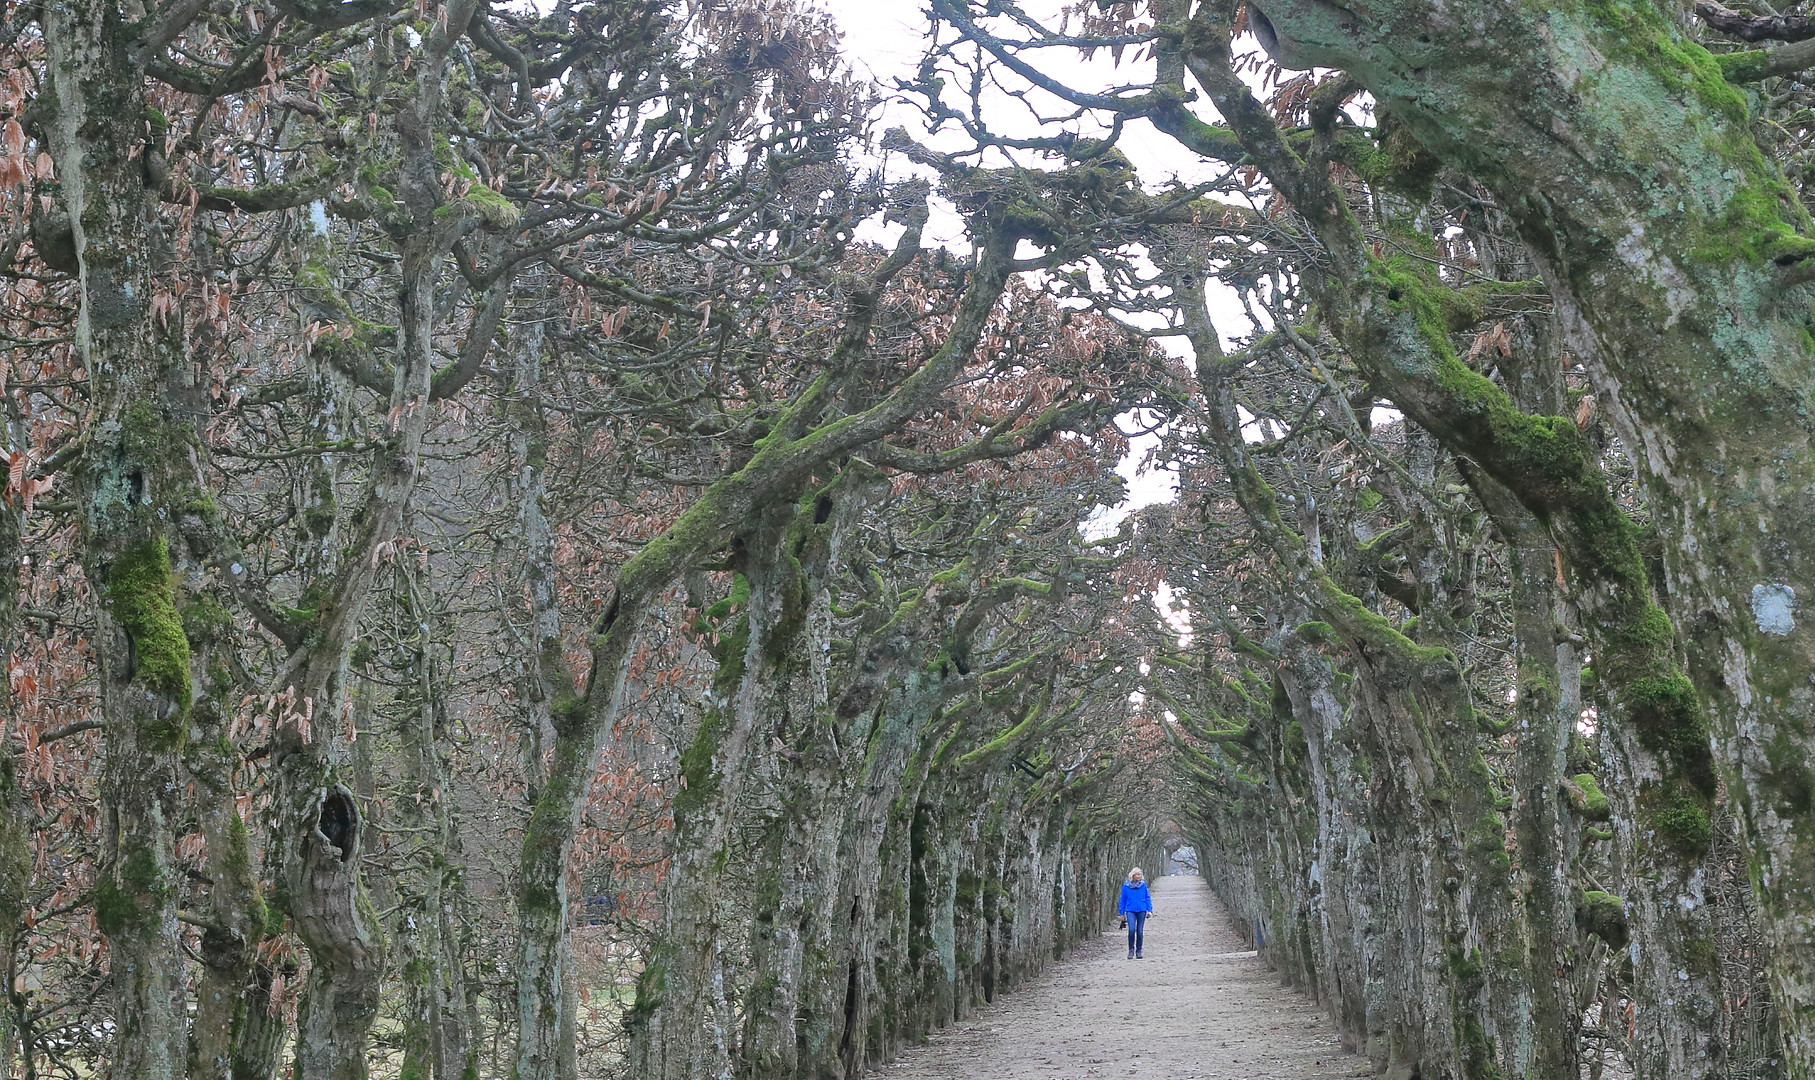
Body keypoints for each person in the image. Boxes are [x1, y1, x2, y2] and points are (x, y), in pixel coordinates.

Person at [1118, 866, 1154, 959]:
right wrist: (1121, 913)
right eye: (1137, 874)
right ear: (1133, 875)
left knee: (1140, 931)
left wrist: (1149, 910)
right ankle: (1131, 950)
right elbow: (1123, 899)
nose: (1139, 876)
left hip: (1142, 909)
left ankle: (1139, 951)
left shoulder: (1143, 885)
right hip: (1130, 910)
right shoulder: (1126, 886)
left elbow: (1147, 897)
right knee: (1131, 930)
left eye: (1140, 874)